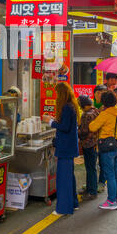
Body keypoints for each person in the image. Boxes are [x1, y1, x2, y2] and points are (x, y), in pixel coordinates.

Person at [42, 82, 80, 215]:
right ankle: (73, 203)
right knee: (69, 178)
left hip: (65, 148)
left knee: (63, 179)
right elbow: (67, 125)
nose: (56, 96)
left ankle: (64, 208)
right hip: (69, 147)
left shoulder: (66, 107)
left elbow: (64, 127)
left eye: (57, 93)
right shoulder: (71, 106)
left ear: (61, 94)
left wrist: (50, 121)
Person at [89, 91, 117, 211]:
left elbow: (92, 127)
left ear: (104, 102)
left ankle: (111, 201)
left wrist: (100, 114)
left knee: (110, 174)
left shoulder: (105, 114)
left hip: (106, 147)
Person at [78, 95, 100, 200]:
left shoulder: (87, 115)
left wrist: (76, 132)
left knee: (90, 168)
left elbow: (83, 131)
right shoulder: (96, 111)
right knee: (92, 167)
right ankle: (90, 189)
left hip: (88, 143)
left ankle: (92, 192)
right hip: (95, 142)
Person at [93, 84, 108, 190]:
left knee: (103, 161)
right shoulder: (90, 104)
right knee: (92, 162)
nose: (100, 95)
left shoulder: (107, 106)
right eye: (98, 93)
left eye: (103, 93)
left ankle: (102, 182)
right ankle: (92, 183)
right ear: (94, 94)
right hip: (92, 138)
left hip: (103, 138)